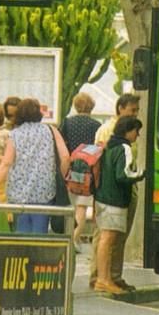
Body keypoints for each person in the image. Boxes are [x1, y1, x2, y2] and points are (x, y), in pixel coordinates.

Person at [0, 98, 70, 234]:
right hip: (44, 192)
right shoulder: (50, 130)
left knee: (21, 233)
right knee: (39, 233)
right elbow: (65, 157)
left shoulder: (15, 134)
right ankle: (37, 253)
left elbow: (6, 163)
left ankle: (22, 253)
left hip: (18, 193)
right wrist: (61, 177)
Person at [89, 93, 140, 291]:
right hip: (111, 192)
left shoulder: (129, 132)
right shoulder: (108, 131)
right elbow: (103, 162)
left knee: (120, 234)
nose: (135, 114)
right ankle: (100, 276)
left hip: (124, 189)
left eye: (136, 111)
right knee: (105, 235)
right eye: (132, 110)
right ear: (120, 108)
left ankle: (114, 275)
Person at [60, 92, 101, 252]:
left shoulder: (67, 123)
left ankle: (68, 237)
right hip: (88, 170)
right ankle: (75, 238)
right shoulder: (96, 125)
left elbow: (62, 145)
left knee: (71, 204)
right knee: (82, 207)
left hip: (70, 168)